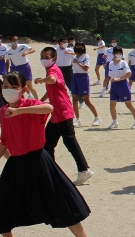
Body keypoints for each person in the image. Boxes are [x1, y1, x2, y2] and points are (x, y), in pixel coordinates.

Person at [0, 71, 98, 237]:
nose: (7, 90)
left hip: (39, 161)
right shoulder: (3, 110)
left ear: (23, 90)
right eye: (5, 86)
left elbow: (48, 108)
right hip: (16, 163)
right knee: (2, 207)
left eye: (13, 87)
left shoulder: (30, 105)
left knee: (63, 204)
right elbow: (4, 141)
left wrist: (19, 111)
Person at [35, 47, 93, 186]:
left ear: (54, 58)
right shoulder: (50, 69)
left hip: (63, 112)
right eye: (42, 56)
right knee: (47, 143)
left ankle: (84, 169)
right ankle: (50, 172)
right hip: (56, 114)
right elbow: (51, 90)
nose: (44, 59)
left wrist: (41, 80)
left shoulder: (53, 70)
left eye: (47, 56)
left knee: (69, 141)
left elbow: (52, 80)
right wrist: (40, 101)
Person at [105, 47, 135, 130]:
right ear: (113, 54)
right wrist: (111, 87)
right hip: (114, 86)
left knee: (128, 104)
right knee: (112, 104)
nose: (118, 54)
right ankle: (115, 121)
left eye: (120, 53)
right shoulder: (110, 64)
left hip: (123, 85)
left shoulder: (123, 63)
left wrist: (119, 79)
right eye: (116, 53)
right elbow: (111, 76)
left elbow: (129, 74)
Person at [69, 42, 100, 127]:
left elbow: (86, 68)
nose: (79, 48)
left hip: (83, 77)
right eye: (77, 46)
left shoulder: (86, 56)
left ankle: (97, 117)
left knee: (86, 100)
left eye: (81, 46)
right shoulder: (74, 57)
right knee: (74, 99)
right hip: (75, 77)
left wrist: (78, 63)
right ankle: (78, 119)